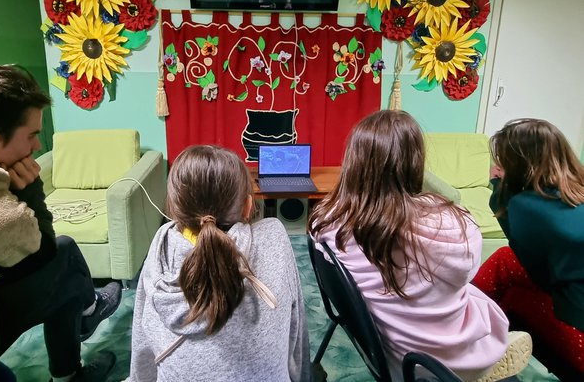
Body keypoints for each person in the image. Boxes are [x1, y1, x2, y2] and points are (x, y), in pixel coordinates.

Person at [0, 64, 122, 382]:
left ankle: (85, 319)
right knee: (63, 261)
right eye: (31, 136)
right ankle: (86, 316)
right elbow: (41, 253)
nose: (38, 147)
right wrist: (31, 191)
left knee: (65, 254)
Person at [308, 110, 532, 381]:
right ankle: (488, 357)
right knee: (474, 297)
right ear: (416, 163)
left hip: (385, 350)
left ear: (353, 160)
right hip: (434, 361)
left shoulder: (327, 221)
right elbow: (465, 276)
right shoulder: (454, 227)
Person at [127, 145, 310, 382]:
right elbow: (296, 333)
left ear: (174, 208)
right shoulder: (274, 236)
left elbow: (144, 338)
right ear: (247, 205)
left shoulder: (162, 244)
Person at [472, 118, 584, 379]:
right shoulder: (572, 193)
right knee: (504, 258)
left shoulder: (528, 208)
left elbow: (510, 224)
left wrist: (498, 185)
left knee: (508, 300)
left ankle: (475, 341)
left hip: (579, 329)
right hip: (572, 297)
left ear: (521, 165)